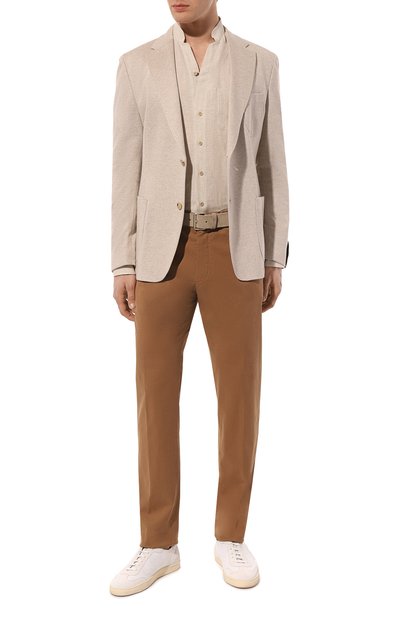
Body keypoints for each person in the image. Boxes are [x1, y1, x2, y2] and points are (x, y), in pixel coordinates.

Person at [109, 0, 289, 596]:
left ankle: (231, 534)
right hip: (161, 252)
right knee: (154, 398)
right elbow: (126, 167)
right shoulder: (136, 65)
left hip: (236, 248)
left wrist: (273, 255)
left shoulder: (260, 63)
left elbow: (271, 164)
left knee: (240, 396)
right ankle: (158, 544)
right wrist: (124, 260)